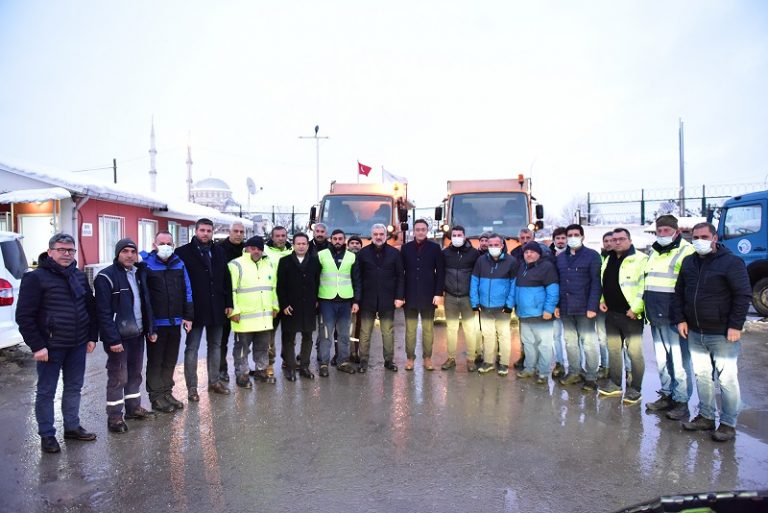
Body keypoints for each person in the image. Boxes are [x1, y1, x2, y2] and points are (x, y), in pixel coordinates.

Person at [16, 233, 99, 454]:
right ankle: (47, 435)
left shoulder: (79, 276)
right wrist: (37, 346)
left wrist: (92, 337)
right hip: (50, 347)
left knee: (74, 388)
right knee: (46, 391)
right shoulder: (36, 278)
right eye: (62, 249)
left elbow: (90, 308)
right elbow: (24, 317)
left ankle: (72, 427)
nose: (66, 254)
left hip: (78, 344)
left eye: (70, 250)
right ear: (50, 251)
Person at [673, 222, 751, 442]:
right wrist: (680, 319)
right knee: (702, 376)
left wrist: (735, 325)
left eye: (704, 236)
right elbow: (679, 293)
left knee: (727, 380)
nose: (699, 241)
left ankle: (727, 424)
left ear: (715, 237)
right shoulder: (689, 262)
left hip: (722, 333)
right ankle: (706, 417)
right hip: (696, 332)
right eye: (695, 237)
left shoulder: (731, 262)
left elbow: (743, 295)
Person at [94, 238, 157, 433]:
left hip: (137, 333)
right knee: (118, 376)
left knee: (135, 374)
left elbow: (146, 303)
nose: (129, 255)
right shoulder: (106, 277)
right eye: (125, 251)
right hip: (118, 338)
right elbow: (102, 312)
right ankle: (114, 417)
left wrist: (150, 329)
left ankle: (133, 408)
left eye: (133, 251)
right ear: (117, 253)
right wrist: (112, 339)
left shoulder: (139, 273)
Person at [175, 218, 233, 402]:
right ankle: (192, 388)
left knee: (215, 346)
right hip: (195, 310)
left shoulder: (219, 251)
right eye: (202, 230)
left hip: (217, 307)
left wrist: (229, 303)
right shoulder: (183, 252)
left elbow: (226, 277)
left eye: (209, 230)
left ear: (212, 232)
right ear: (196, 231)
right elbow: (180, 284)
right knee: (191, 348)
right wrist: (185, 311)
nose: (205, 234)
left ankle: (214, 382)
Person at [644, 215, 695, 421]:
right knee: (662, 360)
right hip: (656, 314)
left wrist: (683, 316)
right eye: (660, 230)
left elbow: (688, 287)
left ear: (676, 231)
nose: (663, 234)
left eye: (667, 230)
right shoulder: (654, 251)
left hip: (674, 316)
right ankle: (666, 395)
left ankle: (681, 401)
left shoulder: (687, 251)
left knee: (679, 361)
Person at [140, 231, 194, 413]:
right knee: (156, 361)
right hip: (156, 323)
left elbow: (187, 290)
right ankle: (156, 397)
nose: (165, 246)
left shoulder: (179, 263)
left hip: (175, 321)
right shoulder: (146, 264)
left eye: (168, 243)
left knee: (170, 360)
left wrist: (188, 316)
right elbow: (144, 296)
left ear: (173, 245)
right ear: (154, 245)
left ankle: (166, 392)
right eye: (161, 242)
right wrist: (149, 323)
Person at [597, 228, 647, 405]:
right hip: (612, 313)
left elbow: (643, 286)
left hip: (631, 315)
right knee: (613, 351)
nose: (617, 242)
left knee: (634, 353)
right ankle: (615, 384)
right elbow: (605, 282)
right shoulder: (609, 258)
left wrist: (636, 308)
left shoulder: (640, 259)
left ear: (630, 240)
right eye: (614, 239)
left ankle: (635, 389)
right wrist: (602, 299)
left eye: (621, 239)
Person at [555, 224, 602, 391]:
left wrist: (592, 307)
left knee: (589, 343)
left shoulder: (592, 256)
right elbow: (559, 283)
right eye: (570, 235)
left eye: (576, 234)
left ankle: (591, 376)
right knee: (570, 342)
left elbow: (596, 283)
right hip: (566, 308)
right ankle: (574, 371)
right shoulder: (560, 258)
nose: (573, 237)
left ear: (582, 237)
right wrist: (558, 305)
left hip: (585, 308)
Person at [228, 236, 279, 387]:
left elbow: (272, 289)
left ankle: (261, 371)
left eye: (259, 249)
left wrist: (275, 307)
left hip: (264, 317)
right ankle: (242, 375)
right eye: (253, 248)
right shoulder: (235, 265)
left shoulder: (268, 265)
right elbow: (231, 290)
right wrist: (233, 311)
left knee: (262, 347)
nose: (256, 251)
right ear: (247, 248)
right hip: (243, 317)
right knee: (242, 349)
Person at [356, 224, 404, 373]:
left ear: (386, 236)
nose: (378, 237)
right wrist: (357, 300)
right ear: (372, 235)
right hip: (367, 299)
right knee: (365, 332)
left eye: (381, 234)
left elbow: (400, 277)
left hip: (388, 299)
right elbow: (357, 278)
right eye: (375, 234)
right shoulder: (363, 253)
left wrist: (399, 297)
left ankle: (389, 361)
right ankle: (363, 361)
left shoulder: (394, 253)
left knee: (388, 332)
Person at [470, 233, 518, 376]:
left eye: (496, 245)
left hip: (502, 307)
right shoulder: (481, 261)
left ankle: (503, 363)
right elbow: (474, 282)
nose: (492, 247)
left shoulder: (511, 261)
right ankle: (488, 361)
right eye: (490, 245)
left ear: (502, 246)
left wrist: (509, 304)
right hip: (484, 306)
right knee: (488, 335)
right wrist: (475, 302)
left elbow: (514, 285)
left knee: (503, 335)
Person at [512, 242, 559, 384]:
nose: (529, 254)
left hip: (541, 315)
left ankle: (543, 372)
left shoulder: (547, 267)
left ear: (539, 254)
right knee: (528, 343)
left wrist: (548, 309)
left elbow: (553, 290)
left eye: (532, 252)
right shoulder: (522, 267)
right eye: (526, 252)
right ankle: (529, 368)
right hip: (524, 314)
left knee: (544, 345)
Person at [317, 229, 362, 376]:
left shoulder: (351, 257)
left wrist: (356, 301)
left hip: (345, 301)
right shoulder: (321, 255)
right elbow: (315, 279)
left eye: (340, 239)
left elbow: (357, 280)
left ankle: (343, 361)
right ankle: (323, 363)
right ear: (330, 239)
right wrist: (315, 300)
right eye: (335, 238)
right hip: (326, 301)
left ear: (344, 241)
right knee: (326, 334)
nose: (337, 241)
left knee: (344, 334)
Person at [401, 219, 445, 371]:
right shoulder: (405, 248)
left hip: (428, 294)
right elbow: (401, 273)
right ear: (414, 231)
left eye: (423, 229)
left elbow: (440, 272)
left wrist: (438, 293)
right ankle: (410, 358)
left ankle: (427, 357)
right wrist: (401, 295)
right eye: (418, 229)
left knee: (428, 329)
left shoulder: (435, 248)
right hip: (410, 294)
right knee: (410, 329)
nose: (420, 232)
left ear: (427, 231)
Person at [276, 232, 321, 380]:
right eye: (298, 244)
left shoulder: (315, 262)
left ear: (308, 245)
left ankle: (304, 367)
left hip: (308, 306)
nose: (301, 246)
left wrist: (315, 300)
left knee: (308, 336)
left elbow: (317, 283)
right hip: (291, 307)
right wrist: (284, 304)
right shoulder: (285, 262)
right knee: (288, 337)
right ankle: (290, 367)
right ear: (293, 245)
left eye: (304, 244)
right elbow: (280, 286)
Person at [442, 225, 480, 371]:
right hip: (450, 296)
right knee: (451, 329)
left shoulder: (473, 253)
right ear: (451, 237)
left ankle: (471, 359)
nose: (457, 237)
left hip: (467, 298)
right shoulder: (445, 253)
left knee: (470, 329)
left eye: (459, 235)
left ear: (465, 236)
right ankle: (451, 358)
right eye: (454, 235)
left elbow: (477, 276)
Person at [216, 221, 245, 382]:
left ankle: (241, 369)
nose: (239, 234)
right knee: (222, 340)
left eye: (241, 231)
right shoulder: (219, 249)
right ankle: (222, 369)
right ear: (229, 231)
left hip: (243, 301)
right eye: (236, 231)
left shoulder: (247, 249)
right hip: (225, 301)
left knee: (241, 340)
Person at [264, 226, 293, 374]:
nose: (281, 238)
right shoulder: (264, 252)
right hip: (271, 301)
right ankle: (269, 364)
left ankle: (287, 361)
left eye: (283, 235)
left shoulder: (293, 251)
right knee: (269, 336)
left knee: (289, 335)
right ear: (272, 236)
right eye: (277, 236)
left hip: (288, 301)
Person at [596, 231, 615, 378]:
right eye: (606, 241)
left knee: (622, 341)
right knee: (602, 337)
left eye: (611, 240)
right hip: (602, 304)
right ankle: (605, 366)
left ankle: (628, 370)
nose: (608, 243)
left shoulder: (622, 258)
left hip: (619, 306)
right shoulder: (599, 258)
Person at [346, 234, 364, 362]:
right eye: (352, 243)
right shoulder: (344, 258)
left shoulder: (364, 258)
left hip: (361, 298)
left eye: (357, 243)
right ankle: (340, 353)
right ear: (348, 245)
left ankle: (354, 352)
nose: (355, 245)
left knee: (358, 327)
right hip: (345, 297)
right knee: (343, 328)